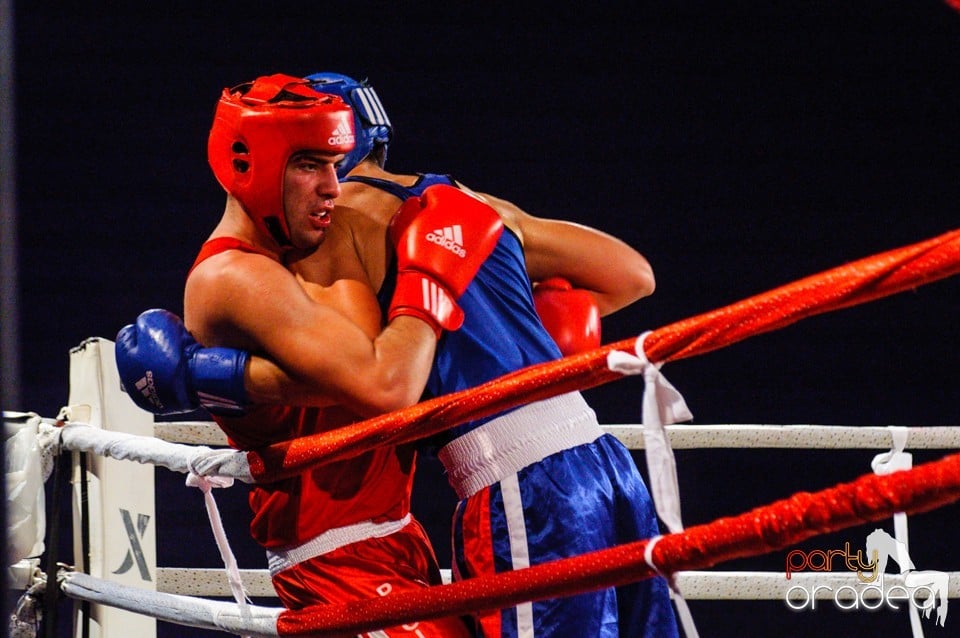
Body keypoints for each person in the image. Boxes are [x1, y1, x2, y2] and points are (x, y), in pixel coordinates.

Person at [285, 72, 679, 637]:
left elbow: (367, 375)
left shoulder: (338, 225)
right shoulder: (468, 200)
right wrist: (511, 320)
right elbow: (632, 276)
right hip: (606, 463)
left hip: (520, 481)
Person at [115, 72, 507, 637]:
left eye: (335, 163)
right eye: (308, 165)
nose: (333, 186)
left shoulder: (308, 249)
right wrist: (432, 279)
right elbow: (389, 385)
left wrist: (237, 379)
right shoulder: (236, 276)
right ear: (248, 164)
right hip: (337, 564)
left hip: (396, 538)